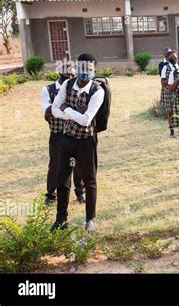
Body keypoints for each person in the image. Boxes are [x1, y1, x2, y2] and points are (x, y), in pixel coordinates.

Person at [51, 53, 105, 232]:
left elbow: (86, 120)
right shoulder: (67, 84)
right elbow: (54, 109)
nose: (84, 72)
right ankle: (60, 220)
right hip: (67, 140)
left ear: (94, 71)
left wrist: (67, 108)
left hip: (86, 142)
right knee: (62, 179)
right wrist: (74, 112)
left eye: (88, 69)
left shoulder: (98, 91)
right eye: (81, 68)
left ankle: (90, 220)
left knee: (89, 180)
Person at [41, 66, 85, 205]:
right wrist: (69, 109)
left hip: (75, 131)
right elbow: (48, 111)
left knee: (78, 163)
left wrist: (63, 109)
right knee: (55, 164)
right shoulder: (48, 90)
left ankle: (80, 192)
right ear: (60, 74)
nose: (71, 78)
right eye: (68, 75)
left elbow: (84, 110)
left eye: (73, 75)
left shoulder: (77, 88)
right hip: (57, 133)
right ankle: (51, 194)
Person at [161, 50, 178, 138]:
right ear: (167, 58)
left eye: (175, 57)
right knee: (170, 111)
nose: (173, 59)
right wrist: (173, 79)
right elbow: (163, 82)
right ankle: (172, 131)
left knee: (178, 110)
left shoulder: (178, 66)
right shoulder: (165, 68)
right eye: (171, 58)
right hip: (168, 92)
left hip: (177, 92)